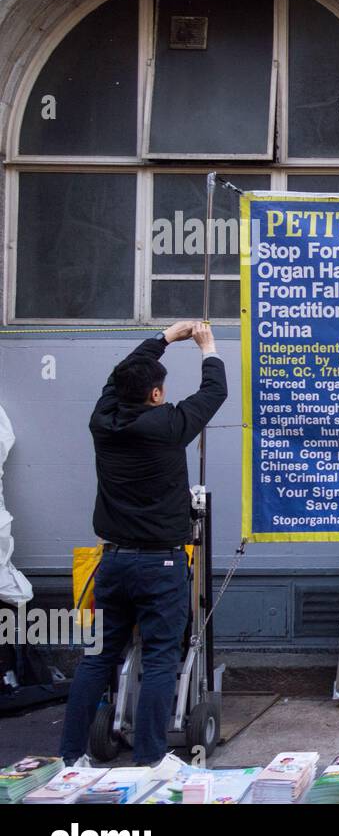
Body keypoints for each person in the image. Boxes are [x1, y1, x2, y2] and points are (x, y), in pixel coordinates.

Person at [59, 321, 227, 768]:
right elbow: (214, 393)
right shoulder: (167, 425)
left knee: (96, 660)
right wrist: (207, 348)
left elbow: (121, 376)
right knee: (158, 660)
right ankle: (151, 759)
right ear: (155, 394)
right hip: (161, 565)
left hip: (111, 562)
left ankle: (70, 759)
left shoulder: (102, 419)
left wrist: (164, 339)